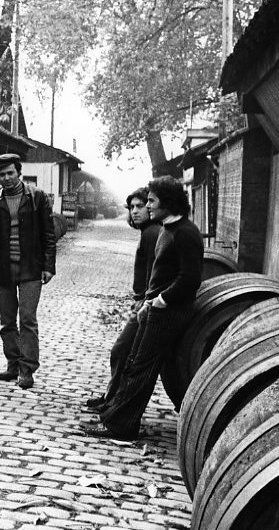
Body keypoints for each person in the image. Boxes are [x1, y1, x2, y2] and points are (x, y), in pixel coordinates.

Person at [82, 175, 203, 440]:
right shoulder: (168, 229)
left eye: (151, 201)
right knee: (134, 363)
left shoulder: (185, 233)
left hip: (169, 312)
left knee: (141, 369)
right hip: (156, 309)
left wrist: (160, 300)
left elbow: (190, 279)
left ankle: (121, 426)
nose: (147, 206)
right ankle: (114, 417)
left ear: (168, 203)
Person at [0, 153, 56, 389]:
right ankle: (12, 364)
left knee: (27, 319)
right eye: (1, 174)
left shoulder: (37, 197)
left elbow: (48, 234)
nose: (6, 178)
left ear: (19, 172)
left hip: (30, 269)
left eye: (10, 173)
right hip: (3, 269)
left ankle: (27, 369)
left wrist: (48, 265)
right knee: (6, 321)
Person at [84, 187, 161, 411]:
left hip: (147, 305)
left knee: (122, 351)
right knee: (123, 352)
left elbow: (154, 273)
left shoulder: (151, 233)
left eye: (140, 206)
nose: (135, 211)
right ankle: (111, 398)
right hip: (144, 302)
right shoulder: (148, 231)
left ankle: (114, 401)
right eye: (131, 207)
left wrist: (143, 299)